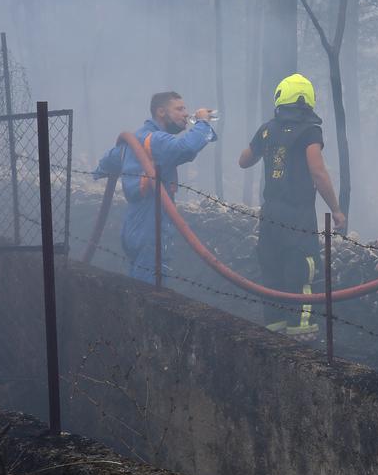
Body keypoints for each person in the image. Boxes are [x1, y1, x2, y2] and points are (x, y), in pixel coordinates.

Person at [238, 73, 345, 335]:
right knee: (301, 267)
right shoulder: (310, 131)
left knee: (272, 265)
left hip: (271, 211)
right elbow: (318, 172)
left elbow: (243, 161)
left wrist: (265, 143)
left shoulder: (267, 128)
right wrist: (337, 210)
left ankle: (274, 325)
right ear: (307, 99)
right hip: (298, 213)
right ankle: (300, 328)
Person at [95, 91, 217, 282]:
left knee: (135, 289)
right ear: (161, 112)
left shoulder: (136, 139)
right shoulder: (156, 140)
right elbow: (185, 148)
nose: (185, 114)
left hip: (133, 228)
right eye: (179, 109)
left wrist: (98, 171)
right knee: (147, 297)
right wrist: (202, 123)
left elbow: (108, 160)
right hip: (152, 231)